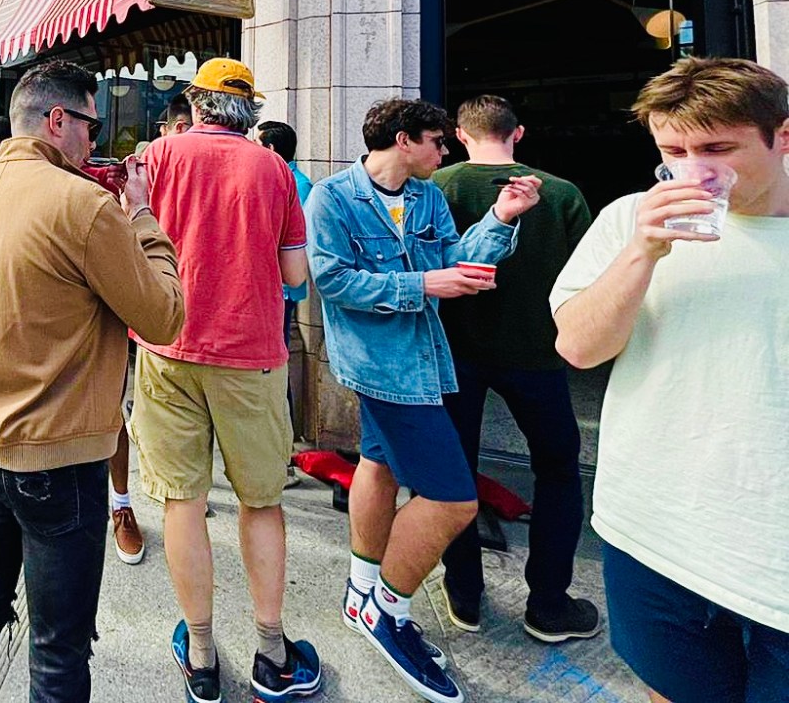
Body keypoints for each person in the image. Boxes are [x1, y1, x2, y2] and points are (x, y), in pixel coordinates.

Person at [0, 60, 185, 703]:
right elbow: (164, 316)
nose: (96, 141)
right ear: (58, 120)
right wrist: (144, 219)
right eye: (92, 124)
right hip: (59, 461)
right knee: (59, 646)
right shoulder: (88, 208)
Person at [550, 58, 789, 703]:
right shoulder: (629, 219)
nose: (695, 169)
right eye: (672, 151)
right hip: (656, 528)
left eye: (718, 148)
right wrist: (642, 253)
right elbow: (578, 348)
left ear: (783, 136)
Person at [306, 98, 541, 703]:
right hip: (381, 366)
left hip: (419, 360)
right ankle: (387, 609)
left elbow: (451, 259)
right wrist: (424, 284)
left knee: (377, 465)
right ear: (405, 139)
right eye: (438, 141)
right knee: (453, 501)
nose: (446, 151)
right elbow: (331, 280)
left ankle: (362, 588)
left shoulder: (425, 197)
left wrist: (501, 216)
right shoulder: (333, 197)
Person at [135, 59, 323, 701]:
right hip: (252, 354)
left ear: (197, 102)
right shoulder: (273, 168)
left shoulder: (156, 158)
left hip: (167, 347)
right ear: (249, 111)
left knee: (183, 502)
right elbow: (296, 276)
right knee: (261, 501)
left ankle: (204, 653)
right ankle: (272, 651)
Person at [434, 96, 598, 642]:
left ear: (459, 134)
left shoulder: (439, 187)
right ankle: (549, 602)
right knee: (557, 469)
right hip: (538, 353)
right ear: (518, 133)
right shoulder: (563, 193)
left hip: (457, 351)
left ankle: (464, 594)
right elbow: (588, 276)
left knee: (455, 471)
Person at [111, 97, 192, 562]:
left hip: (173, 321)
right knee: (114, 412)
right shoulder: (142, 173)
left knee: (123, 415)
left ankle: (153, 501)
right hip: (140, 315)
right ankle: (125, 504)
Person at [258, 119, 313, 483]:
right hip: (279, 290)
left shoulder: (291, 183)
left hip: (279, 291)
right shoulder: (295, 180)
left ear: (273, 150)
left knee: (274, 373)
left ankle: (282, 458)